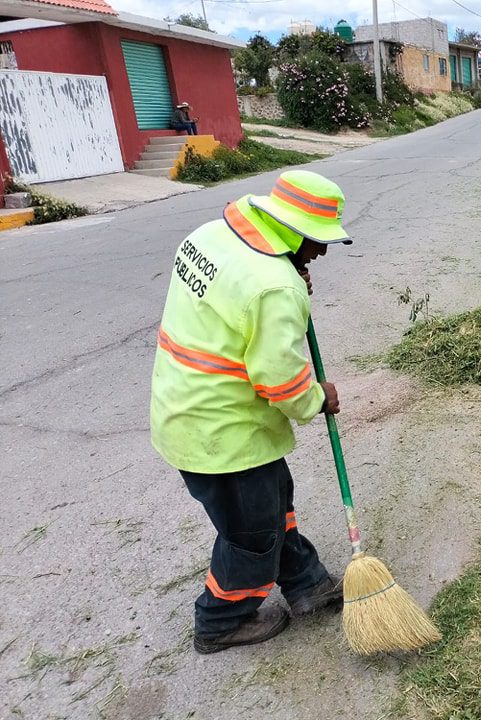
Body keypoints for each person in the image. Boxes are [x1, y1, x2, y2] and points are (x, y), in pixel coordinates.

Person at [150, 170, 352, 654]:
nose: (321, 254)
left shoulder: (212, 236)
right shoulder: (274, 288)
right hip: (222, 435)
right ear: (293, 231)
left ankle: (306, 582)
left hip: (187, 408)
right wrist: (319, 398)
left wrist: (288, 274)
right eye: (318, 242)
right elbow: (281, 381)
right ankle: (219, 621)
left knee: (273, 501)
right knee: (251, 535)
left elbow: (235, 298)